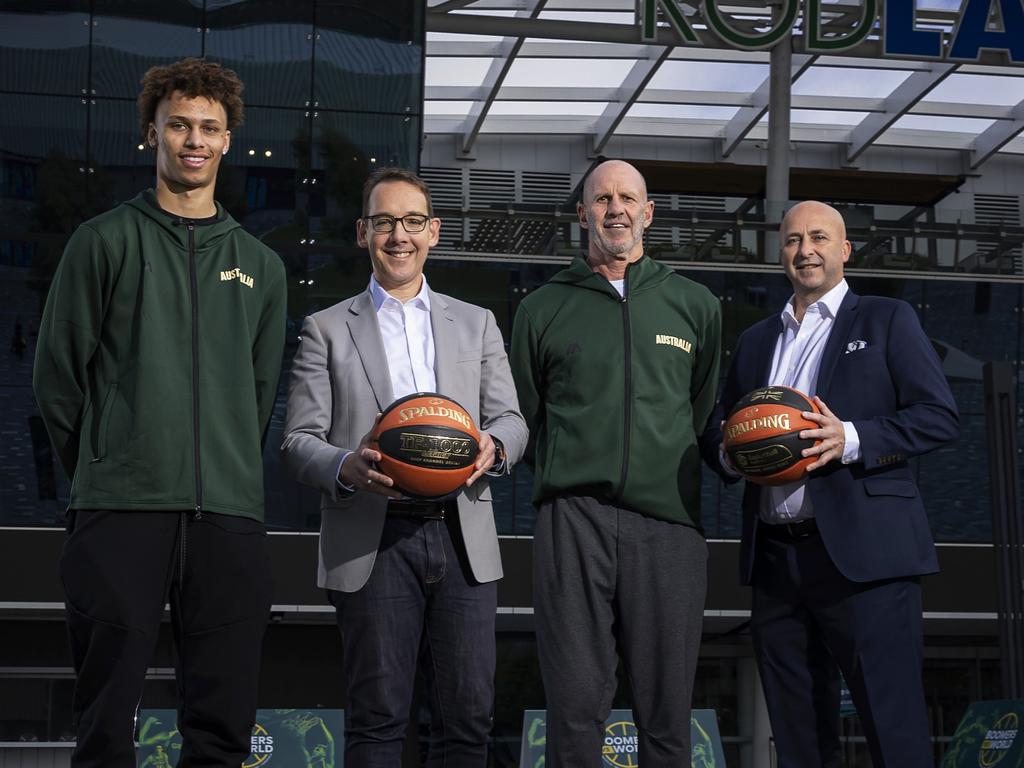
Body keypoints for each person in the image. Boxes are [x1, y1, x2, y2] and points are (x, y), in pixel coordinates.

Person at [32, 58, 286, 767]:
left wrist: (225, 462)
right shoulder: (102, 242)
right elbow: (57, 378)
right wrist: (109, 460)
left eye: (209, 127)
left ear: (230, 139)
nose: (194, 139)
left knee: (223, 728)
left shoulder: (260, 268)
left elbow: (260, 392)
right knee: (107, 723)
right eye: (179, 124)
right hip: (119, 513)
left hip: (229, 519)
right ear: (153, 133)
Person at [281, 167, 527, 766]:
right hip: (374, 535)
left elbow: (513, 422)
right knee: (377, 721)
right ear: (364, 232)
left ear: (434, 231)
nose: (400, 236)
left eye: (413, 222)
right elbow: (296, 441)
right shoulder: (326, 329)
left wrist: (494, 447)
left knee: (468, 720)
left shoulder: (477, 322)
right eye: (385, 222)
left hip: (461, 535)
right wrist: (347, 464)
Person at [702, 200, 959, 767]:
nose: (805, 250)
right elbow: (720, 433)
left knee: (893, 727)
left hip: (867, 559)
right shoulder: (755, 341)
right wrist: (728, 452)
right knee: (797, 737)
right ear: (781, 254)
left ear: (844, 250)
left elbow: (939, 415)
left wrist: (851, 436)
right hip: (775, 562)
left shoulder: (886, 319)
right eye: (793, 240)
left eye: (818, 238)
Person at [509, 159, 722, 767]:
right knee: (574, 709)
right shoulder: (541, 308)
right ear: (583, 215)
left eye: (628, 198)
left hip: (669, 527)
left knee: (666, 714)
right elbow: (525, 418)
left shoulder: (695, 305)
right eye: (602, 199)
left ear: (648, 213)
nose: (616, 209)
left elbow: (699, 408)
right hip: (572, 520)